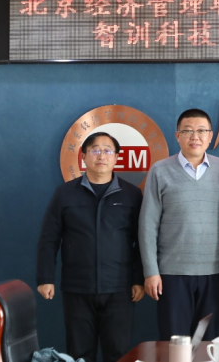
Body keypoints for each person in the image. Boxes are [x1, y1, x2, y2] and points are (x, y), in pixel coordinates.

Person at [36, 132, 144, 362]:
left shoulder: (132, 194)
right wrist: (45, 278)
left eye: (107, 150)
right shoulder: (65, 193)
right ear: (83, 156)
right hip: (77, 287)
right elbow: (49, 237)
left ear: (116, 157)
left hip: (119, 288)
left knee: (118, 353)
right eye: (95, 150)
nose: (101, 156)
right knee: (79, 354)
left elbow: (140, 241)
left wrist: (138, 279)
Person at [139, 108, 219, 340]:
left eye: (201, 131)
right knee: (174, 344)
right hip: (172, 274)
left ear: (210, 136)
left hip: (215, 273)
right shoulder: (160, 170)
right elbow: (148, 224)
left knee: (208, 343)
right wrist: (151, 272)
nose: (195, 136)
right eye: (188, 131)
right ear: (177, 135)